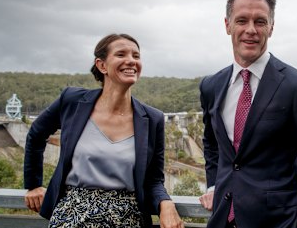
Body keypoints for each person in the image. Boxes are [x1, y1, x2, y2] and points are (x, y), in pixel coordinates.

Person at [199, 0, 297, 228]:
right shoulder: (211, 86)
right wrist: (215, 185)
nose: (251, 30)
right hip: (222, 220)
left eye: (260, 21)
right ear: (227, 25)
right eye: (241, 21)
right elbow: (212, 144)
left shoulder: (296, 87)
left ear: (271, 27)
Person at [24, 33, 184, 228]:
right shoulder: (72, 101)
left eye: (136, 56)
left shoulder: (153, 119)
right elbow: (36, 134)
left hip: (127, 218)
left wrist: (165, 203)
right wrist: (33, 184)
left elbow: (153, 180)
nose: (131, 61)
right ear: (102, 65)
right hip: (72, 215)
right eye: (121, 54)